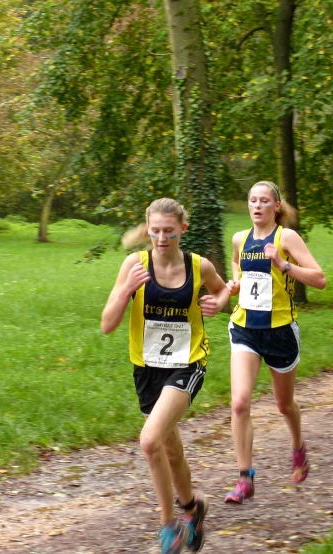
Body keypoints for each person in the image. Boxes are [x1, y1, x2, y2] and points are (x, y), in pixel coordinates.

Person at [101, 198, 229, 554]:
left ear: (182, 230)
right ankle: (193, 508)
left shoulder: (198, 266)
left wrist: (217, 304)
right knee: (170, 450)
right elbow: (107, 324)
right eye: (155, 231)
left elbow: (221, 291)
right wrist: (127, 291)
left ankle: (167, 524)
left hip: (187, 364)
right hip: (146, 370)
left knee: (149, 440)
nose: (160, 238)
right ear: (148, 229)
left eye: (169, 232)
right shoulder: (134, 265)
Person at [223, 181, 326, 505]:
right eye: (252, 200)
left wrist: (283, 265)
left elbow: (320, 279)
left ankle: (297, 445)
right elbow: (238, 264)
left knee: (284, 405)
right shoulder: (240, 238)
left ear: (276, 207)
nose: (257, 206)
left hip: (280, 332)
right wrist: (236, 283)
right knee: (239, 402)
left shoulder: (287, 238)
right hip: (245, 329)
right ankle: (244, 477)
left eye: (264, 201)